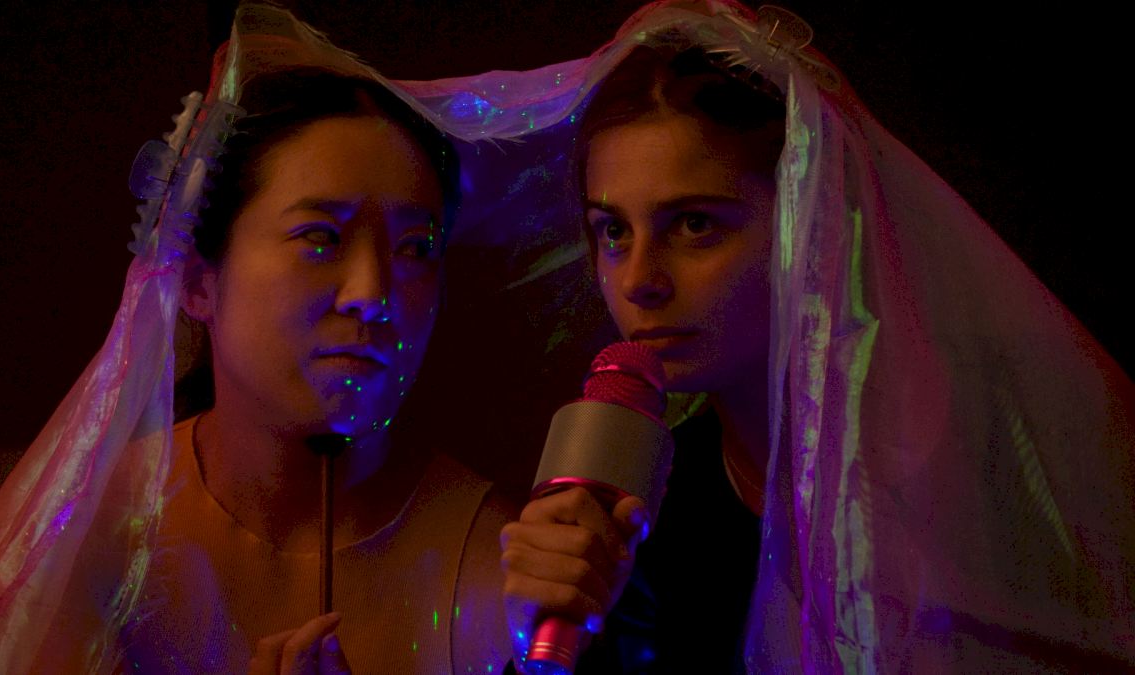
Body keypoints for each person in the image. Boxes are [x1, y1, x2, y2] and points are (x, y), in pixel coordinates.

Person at [396, 1, 1135, 671]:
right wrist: (551, 630)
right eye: (613, 231)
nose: (640, 280)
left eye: (695, 224)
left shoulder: (996, 458)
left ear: (809, 223)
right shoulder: (647, 516)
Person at [0, 5, 511, 673]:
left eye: (415, 248)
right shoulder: (90, 537)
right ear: (198, 281)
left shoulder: (496, 557)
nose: (373, 293)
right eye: (320, 237)